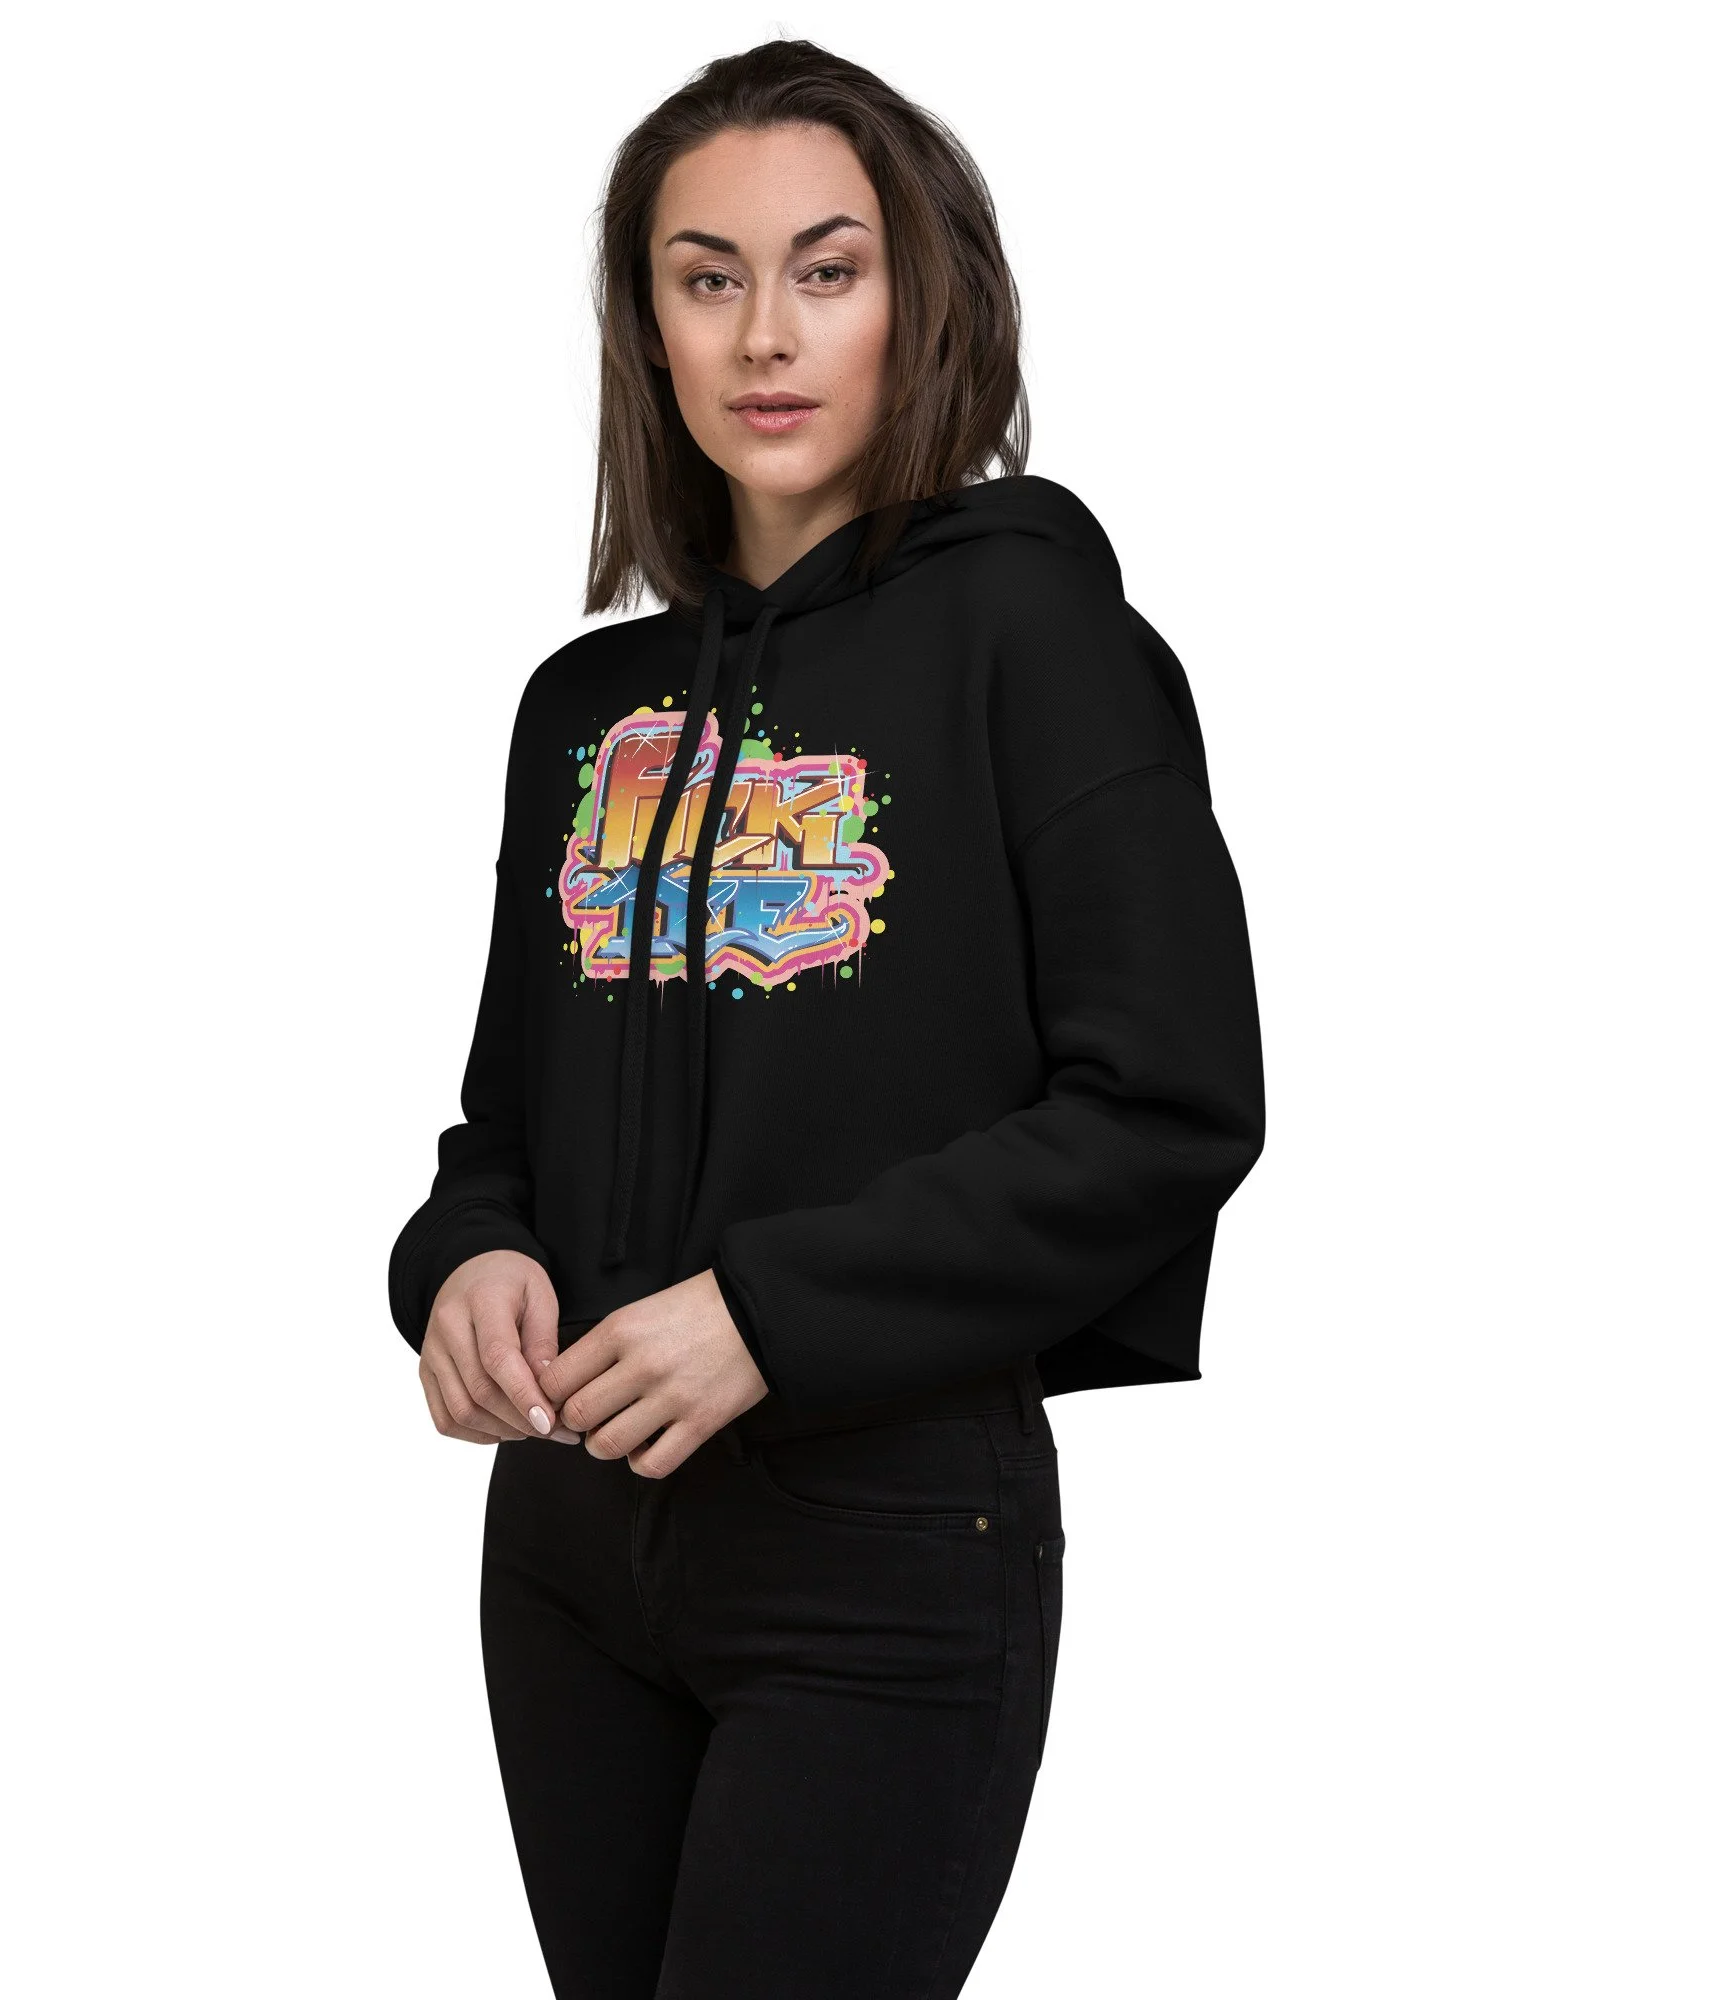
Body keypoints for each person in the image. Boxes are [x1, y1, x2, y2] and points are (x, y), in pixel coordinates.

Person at [386, 38, 1264, 2000]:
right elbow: (501, 1124)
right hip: (568, 1540)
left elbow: (1167, 1103)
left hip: (881, 1538)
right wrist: (462, 1262)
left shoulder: (1037, 639)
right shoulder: (584, 708)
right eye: (706, 277)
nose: (764, 335)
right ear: (648, 325)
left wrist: (767, 1315)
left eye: (827, 270)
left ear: (920, 299)